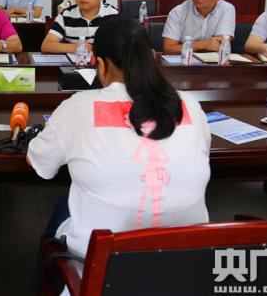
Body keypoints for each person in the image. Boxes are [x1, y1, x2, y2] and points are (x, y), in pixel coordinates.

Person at [28, 18, 210, 272]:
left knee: (65, 204)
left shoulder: (78, 106)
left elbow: (40, 164)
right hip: (187, 268)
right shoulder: (189, 104)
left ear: (100, 65)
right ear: (152, 57)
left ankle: (50, 279)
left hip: (102, 272)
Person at [41, 0, 118, 54]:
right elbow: (46, 45)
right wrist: (75, 47)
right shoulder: (66, 15)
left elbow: (124, 47)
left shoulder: (114, 16)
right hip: (74, 62)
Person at [162, 0, 235, 54]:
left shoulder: (227, 9)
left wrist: (185, 46)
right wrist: (203, 45)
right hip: (185, 60)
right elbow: (168, 49)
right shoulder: (178, 12)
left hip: (212, 60)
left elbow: (221, 44)